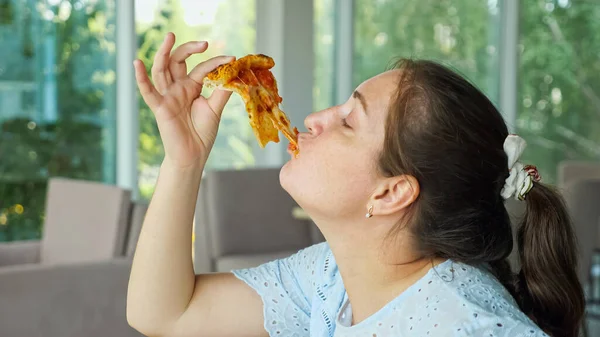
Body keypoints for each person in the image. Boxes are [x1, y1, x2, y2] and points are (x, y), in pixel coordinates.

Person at [126, 33, 585, 337]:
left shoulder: (465, 325)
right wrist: (184, 161)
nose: (312, 119)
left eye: (348, 120)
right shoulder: (331, 278)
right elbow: (164, 314)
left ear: (390, 192)